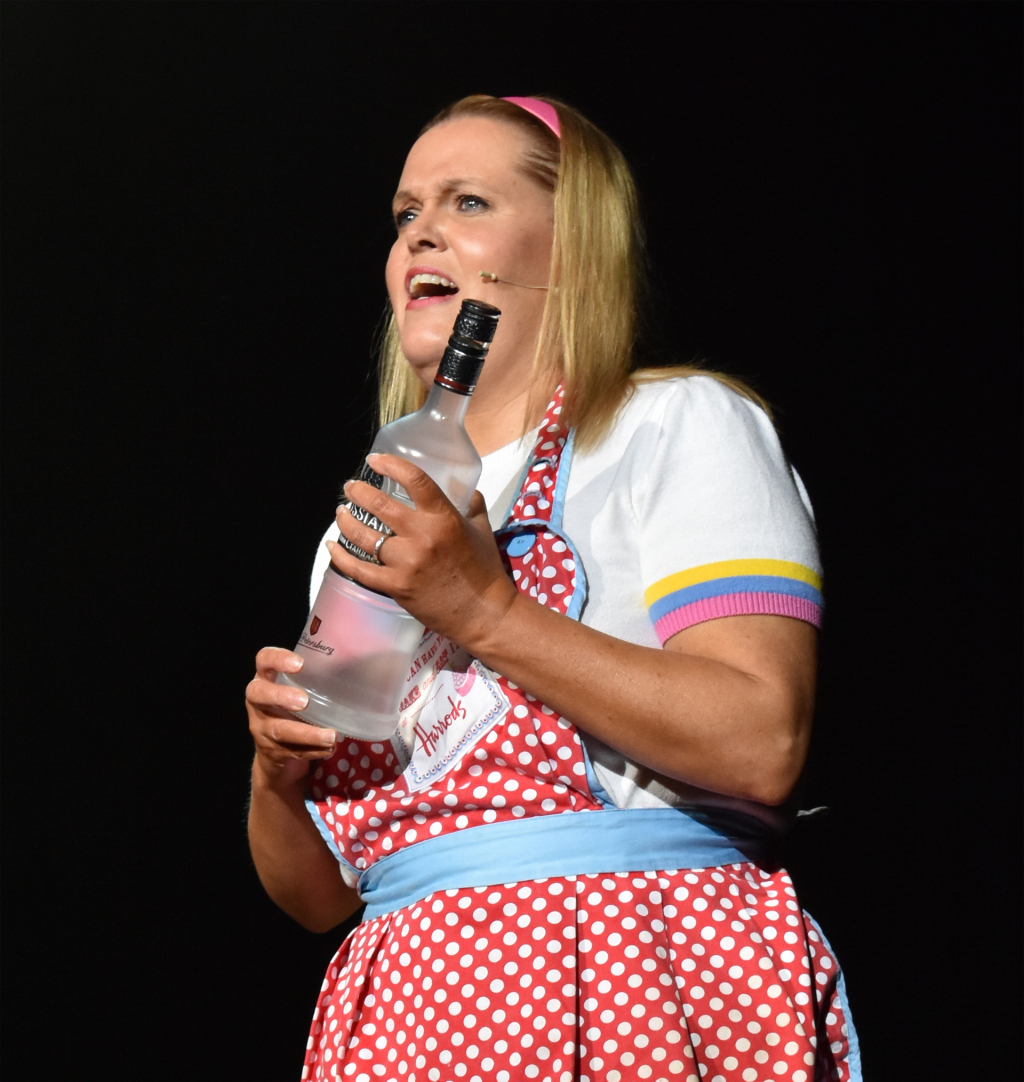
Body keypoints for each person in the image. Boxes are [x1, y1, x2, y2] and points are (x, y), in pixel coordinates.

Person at [246, 94, 860, 1082]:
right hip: (406, 1012)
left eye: (468, 201)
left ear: (574, 245)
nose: (420, 233)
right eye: (405, 213)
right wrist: (276, 770)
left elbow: (761, 742)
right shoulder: (367, 520)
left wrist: (482, 608)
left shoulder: (673, 426)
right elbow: (321, 897)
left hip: (631, 980)